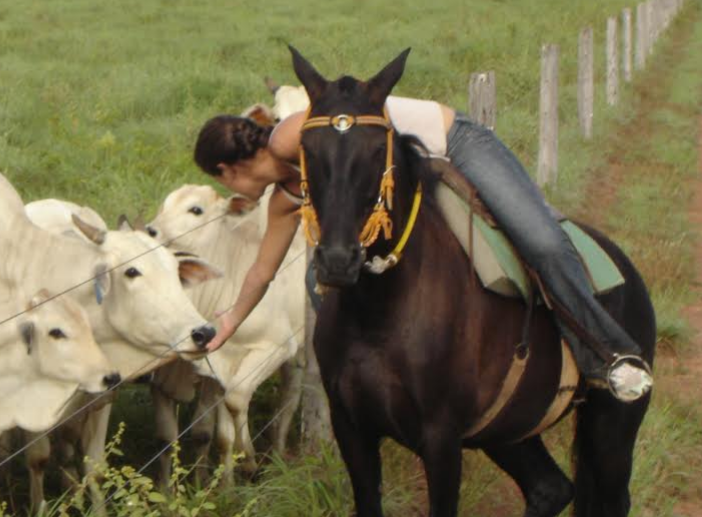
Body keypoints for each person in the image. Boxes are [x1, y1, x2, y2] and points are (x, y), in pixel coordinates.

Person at [192, 96, 654, 403]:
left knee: (542, 242)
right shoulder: (285, 199)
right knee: (324, 281)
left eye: (219, 181)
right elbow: (262, 272)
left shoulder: (289, 137)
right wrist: (227, 323)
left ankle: (608, 351)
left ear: (227, 170)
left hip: (452, 143)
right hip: (410, 172)